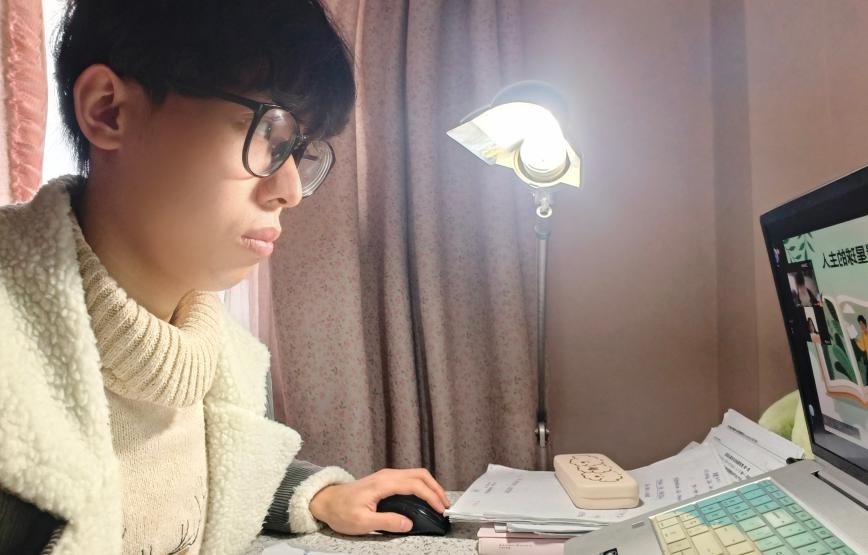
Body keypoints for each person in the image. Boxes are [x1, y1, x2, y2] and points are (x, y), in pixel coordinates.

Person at [0, 1, 449, 553]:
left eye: (298, 152)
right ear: (108, 111)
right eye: (268, 133)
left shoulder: (225, 355)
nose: (289, 191)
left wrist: (320, 496)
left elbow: (218, 467)